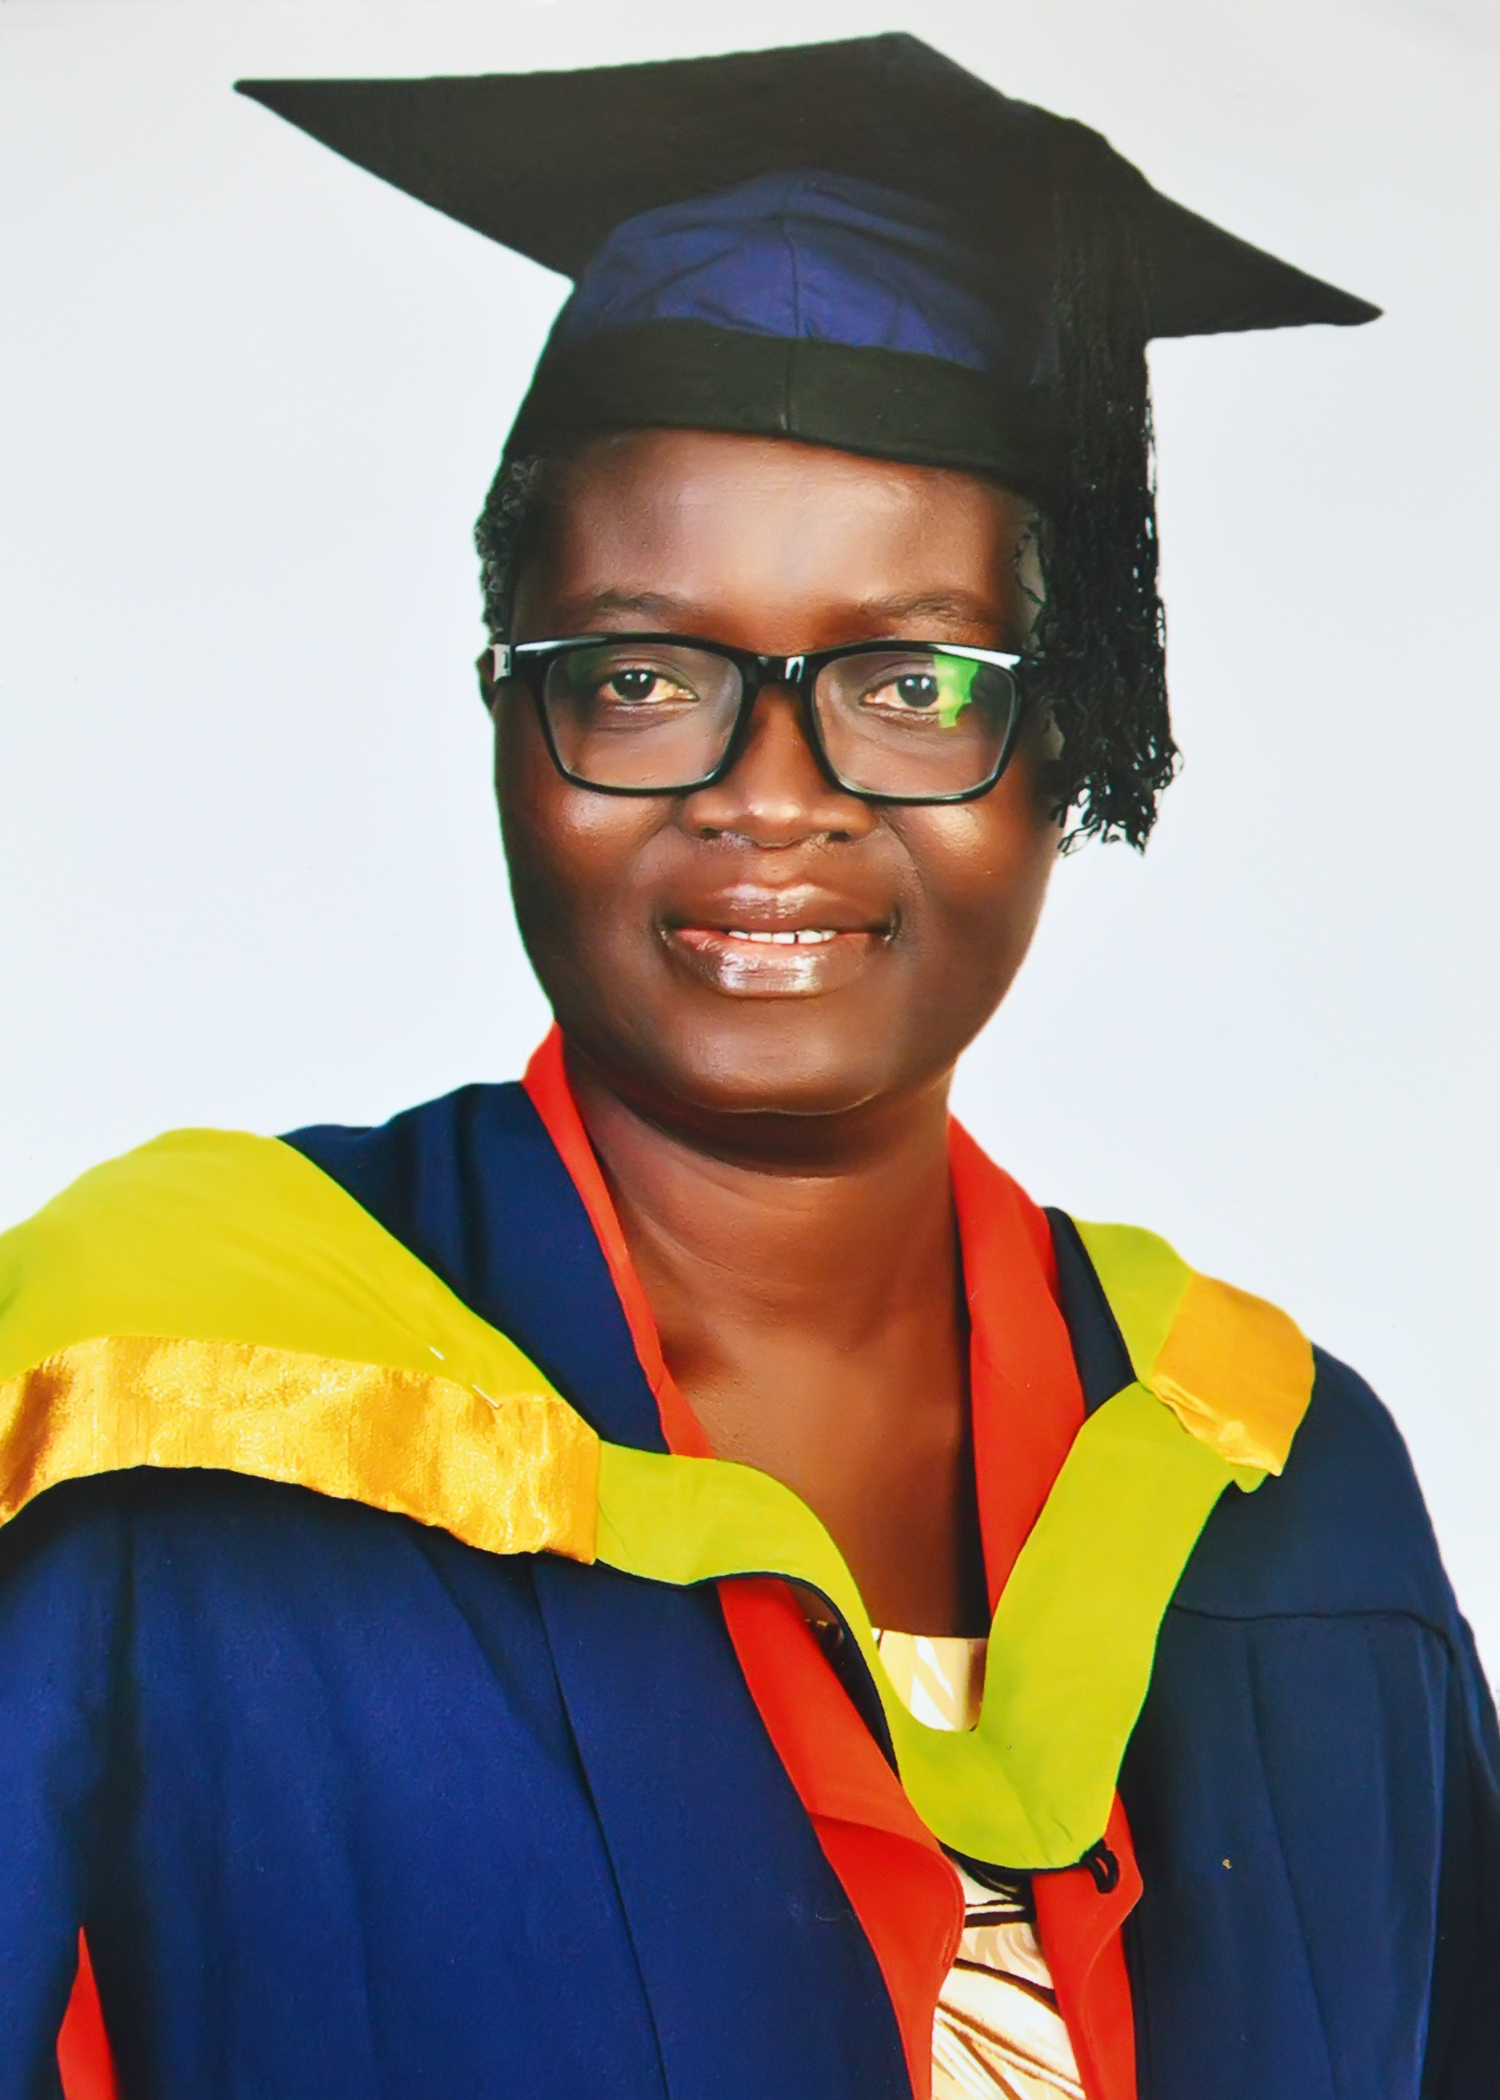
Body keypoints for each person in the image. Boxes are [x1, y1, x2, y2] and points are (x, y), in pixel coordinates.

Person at [4, 33, 1495, 2100]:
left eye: (911, 682)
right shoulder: (171, 1427)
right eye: (641, 673)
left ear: (1067, 745)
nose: (771, 793)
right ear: (508, 723)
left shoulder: (1286, 1494)